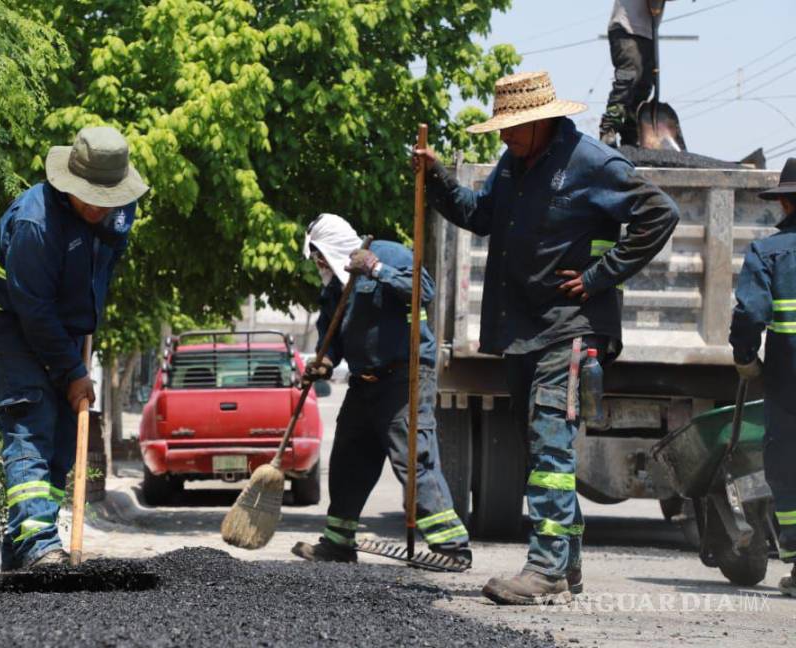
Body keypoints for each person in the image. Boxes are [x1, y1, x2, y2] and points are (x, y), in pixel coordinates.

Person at [415, 71, 679, 604]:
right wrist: (437, 179)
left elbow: (660, 214)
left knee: (550, 445)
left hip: (572, 330)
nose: (503, 137)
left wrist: (600, 275)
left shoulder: (592, 163)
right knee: (541, 451)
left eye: (512, 127)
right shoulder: (513, 166)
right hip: (523, 332)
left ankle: (547, 568)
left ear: (542, 120)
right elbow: (480, 216)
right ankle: (568, 564)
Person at [0, 126, 148, 571]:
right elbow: (34, 309)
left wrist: (84, 332)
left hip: (63, 326)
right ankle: (38, 542)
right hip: (6, 317)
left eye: (107, 199)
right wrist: (71, 370)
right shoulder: (35, 222)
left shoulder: (119, 211)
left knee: (67, 433)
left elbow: (100, 268)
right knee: (32, 417)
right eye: (89, 198)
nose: (99, 207)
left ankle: (25, 542)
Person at [291, 213, 472, 569]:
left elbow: (424, 291)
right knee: (348, 458)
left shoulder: (388, 254)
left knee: (412, 459)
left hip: (404, 376)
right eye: (315, 258)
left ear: (333, 245)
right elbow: (332, 335)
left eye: (320, 255)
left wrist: (376, 269)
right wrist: (324, 363)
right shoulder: (334, 287)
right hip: (364, 382)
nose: (319, 263)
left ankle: (452, 546)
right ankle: (338, 543)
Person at [729, 157, 796, 597]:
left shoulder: (769, 251)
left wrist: (746, 358)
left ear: (785, 204)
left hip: (789, 382)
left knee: (787, 468)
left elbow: (751, 312)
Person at [598, 0, 674, 147]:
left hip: (648, 33)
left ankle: (630, 134)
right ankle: (609, 127)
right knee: (629, 76)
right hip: (626, 28)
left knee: (644, 85)